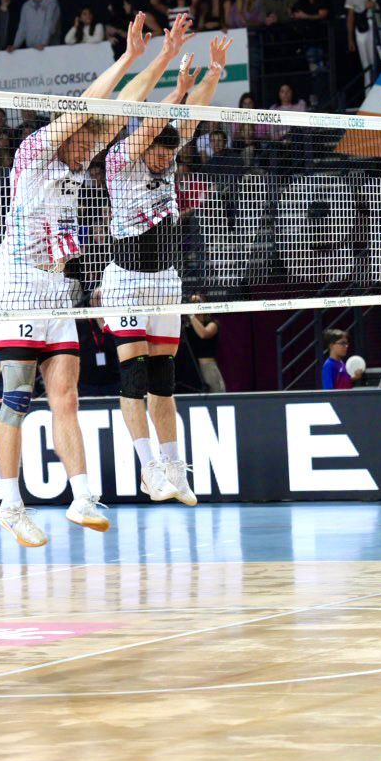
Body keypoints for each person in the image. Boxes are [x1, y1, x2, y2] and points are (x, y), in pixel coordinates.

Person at [0, 14, 153, 545]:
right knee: (18, 398)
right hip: (19, 288)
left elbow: (118, 113)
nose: (90, 151)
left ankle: (81, 497)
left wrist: (156, 59)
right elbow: (88, 110)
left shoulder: (76, 163)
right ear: (68, 130)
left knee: (67, 397)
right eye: (84, 140)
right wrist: (124, 58)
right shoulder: (34, 152)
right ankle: (10, 503)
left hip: (59, 291)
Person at [101, 25, 229, 505]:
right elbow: (154, 126)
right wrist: (174, 90)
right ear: (147, 142)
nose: (165, 158)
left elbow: (191, 118)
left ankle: (174, 467)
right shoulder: (122, 159)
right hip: (126, 282)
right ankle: (148, 467)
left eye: (170, 152)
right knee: (133, 378)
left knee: (163, 382)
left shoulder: (169, 155)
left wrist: (213, 74)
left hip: (165, 283)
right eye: (160, 149)